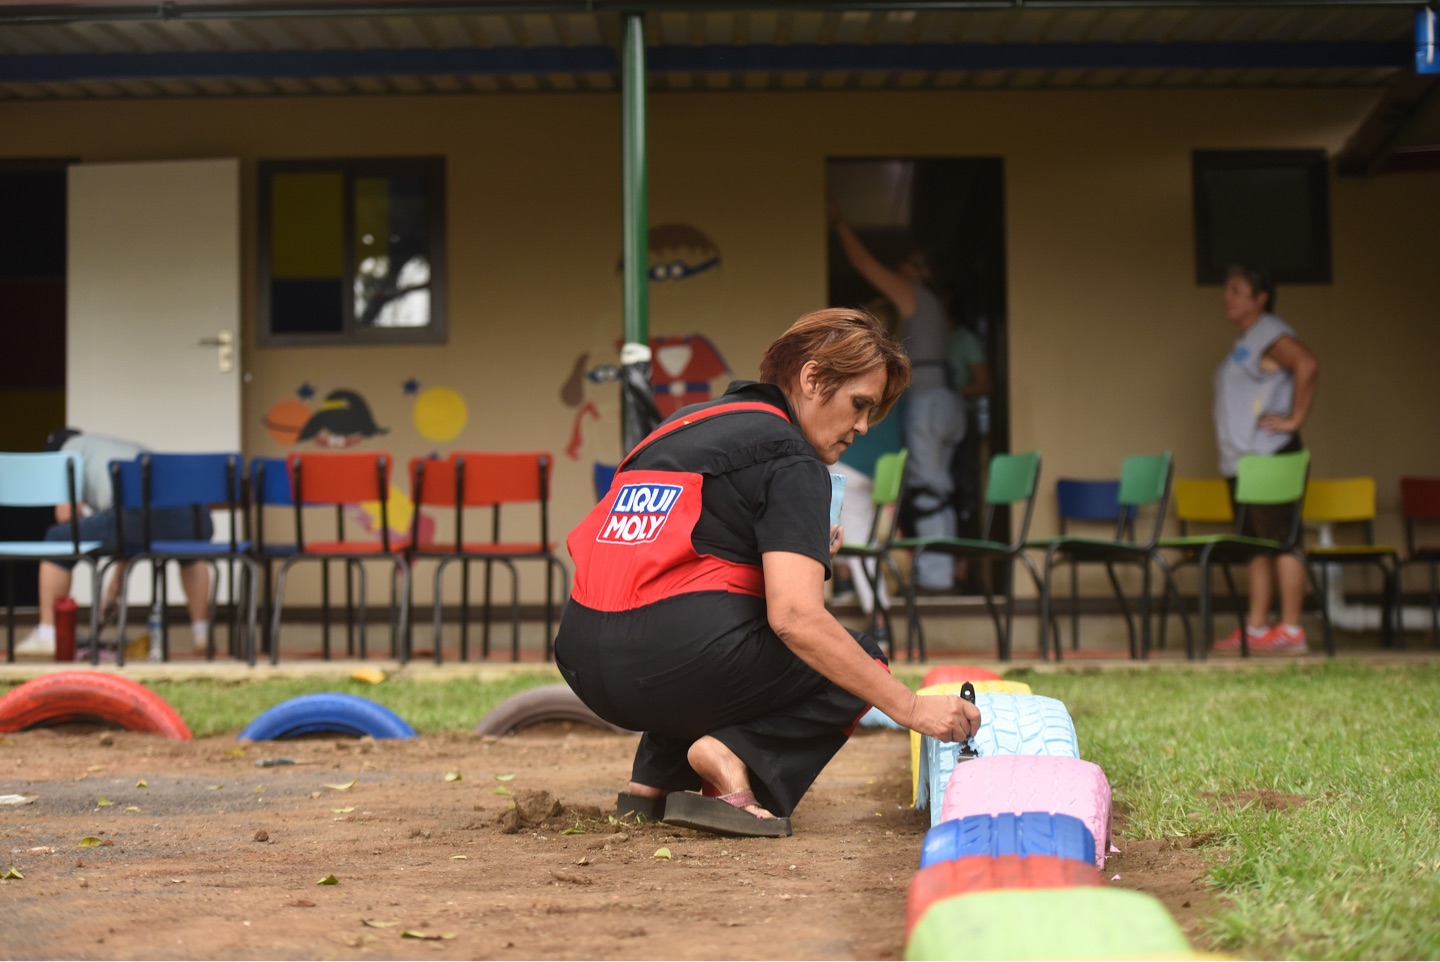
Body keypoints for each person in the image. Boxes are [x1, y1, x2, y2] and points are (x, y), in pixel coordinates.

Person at [553, 308, 982, 838]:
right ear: (813, 377)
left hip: (582, 659)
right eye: (859, 404)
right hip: (675, 656)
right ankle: (733, 759)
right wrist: (912, 708)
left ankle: (650, 785)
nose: (863, 427)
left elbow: (678, 556)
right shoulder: (792, 457)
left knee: (710, 632)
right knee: (853, 659)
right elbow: (797, 619)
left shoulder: (681, 426)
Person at [828, 198, 965, 593]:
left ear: (923, 273)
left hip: (931, 402)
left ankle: (937, 579)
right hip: (945, 400)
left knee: (929, 492)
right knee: (937, 490)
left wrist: (838, 221)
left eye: (909, 263)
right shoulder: (935, 307)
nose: (900, 269)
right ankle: (937, 573)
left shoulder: (917, 295)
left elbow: (864, 265)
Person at [15, 429, 213, 658]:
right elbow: (132, 535)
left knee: (57, 539)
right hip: (195, 517)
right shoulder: (126, 446)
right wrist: (112, 592)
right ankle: (203, 634)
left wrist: (87, 525)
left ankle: (48, 634)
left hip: (134, 516)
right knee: (190, 553)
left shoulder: (69, 450)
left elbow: (66, 514)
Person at [1210, 265, 1319, 655]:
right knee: (1255, 546)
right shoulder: (1250, 340)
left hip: (1270, 458)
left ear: (1261, 298)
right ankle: (1256, 628)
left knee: (1282, 541)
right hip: (1245, 464)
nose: (1228, 297)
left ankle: (1291, 628)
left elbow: (1306, 363)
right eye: (1227, 290)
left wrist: (1295, 419)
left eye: (1237, 290)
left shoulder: (1270, 331)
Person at [946, 320, 993, 586]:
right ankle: (946, 570)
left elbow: (985, 384)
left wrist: (947, 392)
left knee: (963, 497)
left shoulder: (964, 339)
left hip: (962, 428)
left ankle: (963, 571)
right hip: (931, 432)